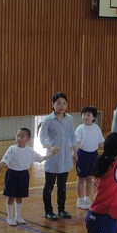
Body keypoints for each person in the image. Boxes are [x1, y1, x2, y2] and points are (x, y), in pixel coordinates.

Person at [0, 128, 56, 225]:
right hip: (12, 175)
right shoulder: (12, 149)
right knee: (11, 197)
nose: (19, 138)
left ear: (28, 139)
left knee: (19, 196)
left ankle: (18, 217)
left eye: (22, 136)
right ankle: (10, 217)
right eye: (18, 136)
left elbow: (41, 158)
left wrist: (52, 154)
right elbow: (4, 160)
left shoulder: (30, 151)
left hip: (23, 175)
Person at [40, 92, 77, 220]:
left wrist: (75, 152)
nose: (61, 106)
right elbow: (42, 137)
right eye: (58, 103)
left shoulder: (70, 119)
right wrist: (50, 147)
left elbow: (72, 136)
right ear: (53, 104)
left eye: (64, 103)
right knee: (49, 186)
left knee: (62, 186)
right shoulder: (48, 120)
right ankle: (48, 211)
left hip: (65, 157)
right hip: (53, 158)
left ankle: (61, 209)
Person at [75, 106, 105, 210]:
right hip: (82, 155)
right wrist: (74, 153)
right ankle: (80, 200)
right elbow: (77, 143)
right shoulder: (80, 129)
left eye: (88, 114)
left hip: (93, 155)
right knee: (81, 178)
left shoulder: (97, 128)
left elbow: (101, 142)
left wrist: (109, 151)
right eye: (84, 114)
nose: (85, 116)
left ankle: (87, 198)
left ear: (94, 117)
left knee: (89, 178)